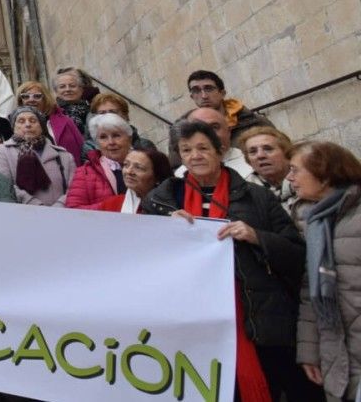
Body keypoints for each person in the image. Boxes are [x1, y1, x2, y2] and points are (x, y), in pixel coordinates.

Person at [148, 118, 307, 402]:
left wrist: (256, 236)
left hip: (260, 319)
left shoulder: (256, 197)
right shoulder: (162, 201)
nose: (195, 156)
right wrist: (163, 230)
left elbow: (295, 254)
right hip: (196, 322)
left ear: (219, 151)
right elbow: (142, 259)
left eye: (202, 148)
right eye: (186, 150)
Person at [291, 141, 361, 400]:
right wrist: (309, 352)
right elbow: (311, 289)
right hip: (340, 351)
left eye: (296, 170)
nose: (290, 178)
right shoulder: (316, 221)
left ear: (325, 174)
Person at [0, 107, 75, 206]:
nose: (28, 124)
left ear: (41, 127)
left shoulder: (64, 156)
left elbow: (74, 188)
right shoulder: (2, 151)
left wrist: (59, 205)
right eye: (21, 121)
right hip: (22, 215)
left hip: (60, 214)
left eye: (33, 121)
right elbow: (3, 185)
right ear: (14, 127)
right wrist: (34, 205)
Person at [65, 113, 136, 210]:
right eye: (103, 137)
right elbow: (73, 210)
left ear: (129, 138)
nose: (111, 142)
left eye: (116, 135)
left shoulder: (146, 164)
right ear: (97, 143)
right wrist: (110, 206)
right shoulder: (84, 173)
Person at [187, 69, 273, 143]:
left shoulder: (255, 122)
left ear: (222, 93)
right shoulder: (187, 131)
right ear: (192, 97)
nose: (204, 96)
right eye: (196, 90)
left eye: (209, 89)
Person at [174, 106, 257, 180]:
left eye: (214, 127)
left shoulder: (254, 164)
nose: (207, 135)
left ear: (228, 131)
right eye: (197, 128)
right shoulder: (179, 176)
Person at [240, 126, 303, 217]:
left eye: (268, 149)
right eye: (253, 151)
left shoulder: (310, 180)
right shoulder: (244, 193)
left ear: (287, 153)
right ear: (248, 161)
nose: (260, 155)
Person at [93, 148, 171, 214]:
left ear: (157, 177)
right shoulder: (111, 205)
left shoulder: (169, 207)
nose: (129, 172)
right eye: (126, 165)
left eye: (138, 167)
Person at [20, 81, 85, 155]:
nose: (31, 100)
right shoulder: (13, 125)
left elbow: (82, 148)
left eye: (37, 96)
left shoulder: (66, 121)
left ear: (45, 99)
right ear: (20, 100)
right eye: (25, 96)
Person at [50, 69, 94, 141]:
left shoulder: (93, 110)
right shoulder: (51, 113)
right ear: (56, 91)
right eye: (62, 86)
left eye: (72, 86)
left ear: (81, 89)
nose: (67, 89)